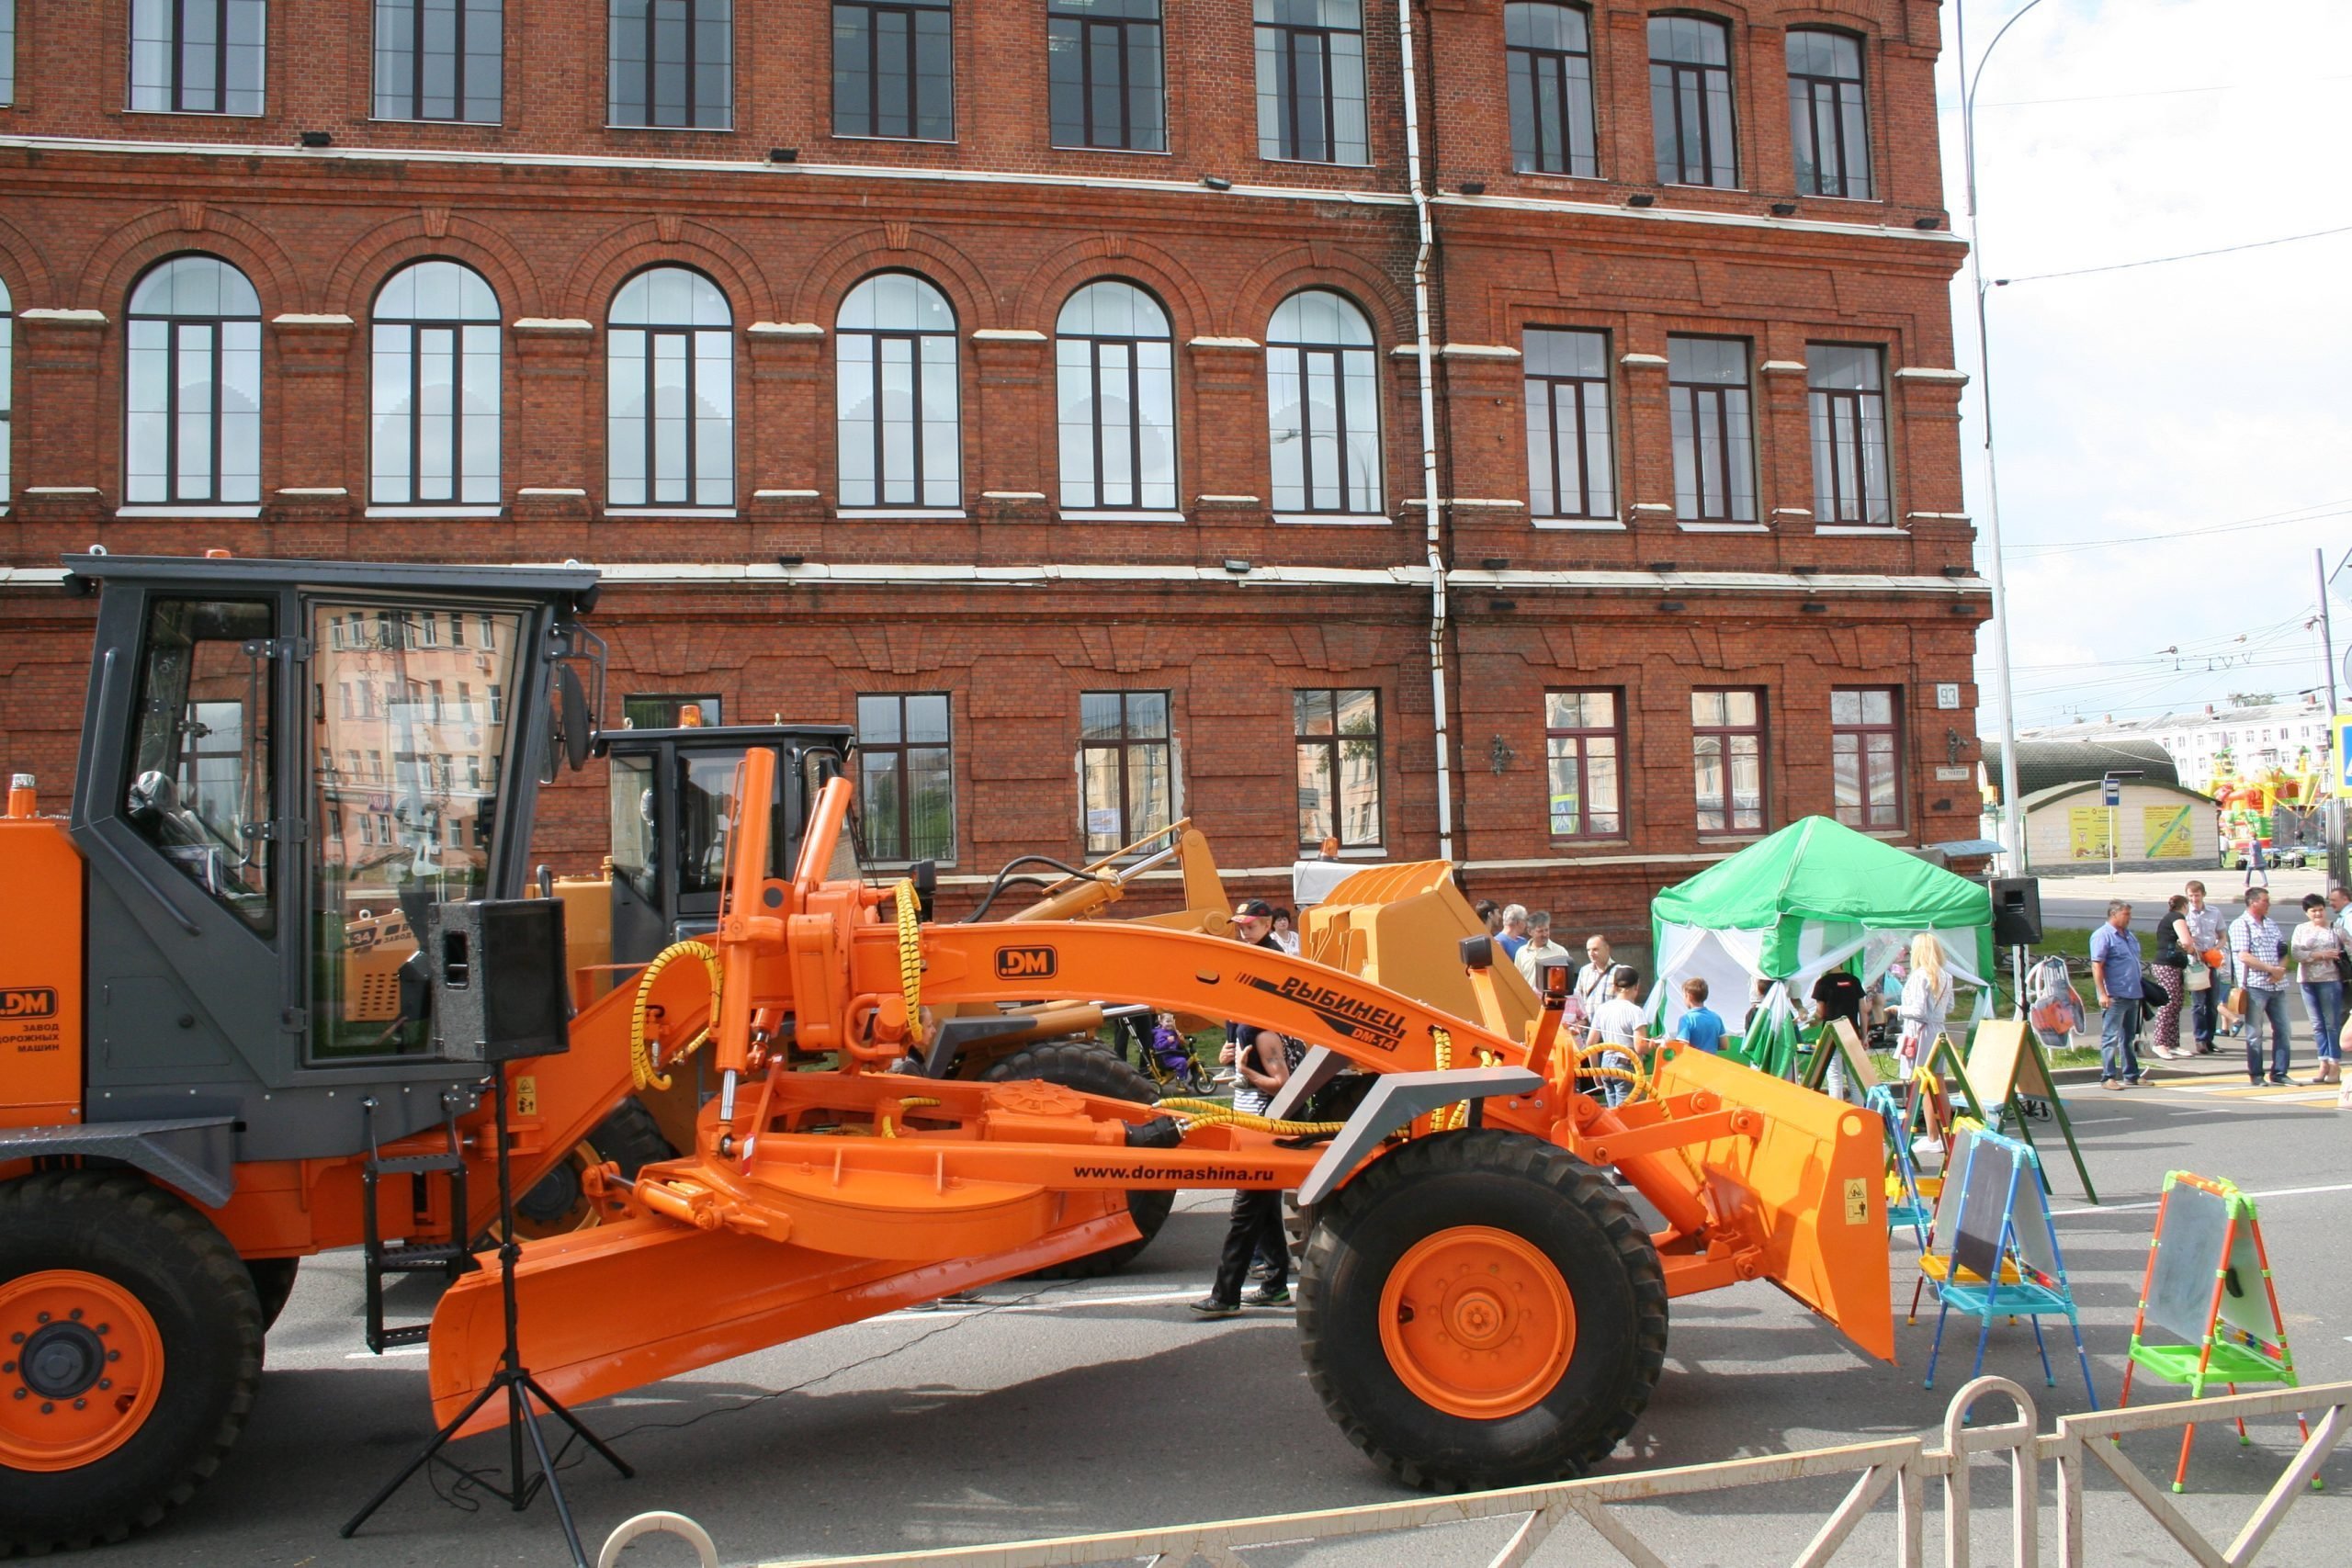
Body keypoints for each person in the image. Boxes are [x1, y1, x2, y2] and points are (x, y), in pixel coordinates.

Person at [1191, 1020, 1293, 1317]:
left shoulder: (1264, 1035)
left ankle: (1225, 1296)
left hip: (1260, 1138)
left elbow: (1282, 1084)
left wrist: (1246, 1072)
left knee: (1243, 1216)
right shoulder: (1252, 1035)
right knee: (1268, 1214)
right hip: (1254, 1135)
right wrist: (1230, 1061)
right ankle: (1276, 1288)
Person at [2228, 887, 2295, 1087]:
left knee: (2283, 1029)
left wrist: (2280, 970)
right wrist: (2270, 969)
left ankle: (2280, 1072)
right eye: (2265, 901)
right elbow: (2243, 955)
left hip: (2277, 985)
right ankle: (2256, 1074)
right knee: (2255, 1033)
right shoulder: (2241, 925)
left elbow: (2284, 950)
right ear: (2253, 902)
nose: (2269, 904)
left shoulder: (2271, 924)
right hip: (2255, 986)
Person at [2088, 899, 2145, 1089]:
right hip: (2115, 995)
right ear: (2114, 915)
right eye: (2126, 915)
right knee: (2110, 1037)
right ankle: (2108, 1077)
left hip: (2132, 993)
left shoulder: (2129, 935)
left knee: (2128, 1037)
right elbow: (2097, 965)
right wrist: (2102, 994)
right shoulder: (2103, 936)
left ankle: (2131, 1074)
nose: (2129, 918)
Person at [2290, 893, 2346, 1087]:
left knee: (2332, 1024)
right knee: (2317, 1025)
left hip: (2330, 980)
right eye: (2313, 911)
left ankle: (2335, 1064)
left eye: (2321, 909)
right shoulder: (2300, 929)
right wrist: (2320, 954)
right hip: (2307, 981)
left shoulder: (2335, 928)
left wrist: (2338, 955)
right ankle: (2322, 1062)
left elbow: (2349, 947)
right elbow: (2296, 954)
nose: (2318, 913)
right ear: (2306, 912)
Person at [1583, 965, 1649, 1107]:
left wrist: (1596, 1072)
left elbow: (1590, 1043)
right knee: (1625, 1117)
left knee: (1613, 1116)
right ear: (1637, 986)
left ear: (1614, 986)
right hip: (1626, 1066)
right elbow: (1640, 1047)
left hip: (1606, 1065)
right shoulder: (1635, 1011)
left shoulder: (1603, 1009)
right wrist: (1652, 1044)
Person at [1894, 933, 1955, 1074]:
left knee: (1919, 1080)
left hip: (1920, 1032)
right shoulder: (1946, 976)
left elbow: (1918, 1011)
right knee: (1938, 1078)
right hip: (1939, 1030)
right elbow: (1950, 1007)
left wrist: (1898, 1010)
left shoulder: (1919, 975)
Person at [2147, 894, 2192, 1058]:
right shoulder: (2177, 917)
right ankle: (2159, 1043)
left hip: (2172, 965)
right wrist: (2192, 949)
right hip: (2167, 965)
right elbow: (2186, 941)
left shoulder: (2170, 917)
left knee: (2176, 1003)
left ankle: (2173, 1043)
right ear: (2185, 906)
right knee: (2169, 1003)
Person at [2183, 880, 2225, 1053]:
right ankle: (2200, 1038)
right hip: (2195, 964)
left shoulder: (2214, 912)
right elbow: (2182, 939)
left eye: (2197, 895)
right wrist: (2193, 951)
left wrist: (2216, 948)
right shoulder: (2186, 914)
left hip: (2212, 961)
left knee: (2212, 1002)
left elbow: (2222, 935)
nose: (2194, 899)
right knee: (2198, 1004)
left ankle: (2209, 1039)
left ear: (2203, 895)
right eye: (2191, 896)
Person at [1668, 976, 1726, 1055]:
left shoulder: (1686, 1019)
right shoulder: (1716, 1018)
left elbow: (1683, 1047)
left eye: (1684, 996)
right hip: (1711, 1064)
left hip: (1693, 1064)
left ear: (1689, 996)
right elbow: (1724, 1045)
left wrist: (1668, 1043)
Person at [1513, 911, 1570, 987]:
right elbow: (1517, 980)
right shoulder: (1521, 953)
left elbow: (1566, 982)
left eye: (1546, 930)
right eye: (1540, 931)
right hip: (1527, 997)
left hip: (1551, 998)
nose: (1545, 934)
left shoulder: (1560, 952)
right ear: (1530, 931)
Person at [1574, 934, 1615, 1017]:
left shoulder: (1619, 972)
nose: (1591, 953)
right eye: (1588, 950)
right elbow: (1578, 1000)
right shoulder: (1584, 971)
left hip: (1609, 1026)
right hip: (1589, 1026)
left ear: (1607, 948)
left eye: (1595, 949)